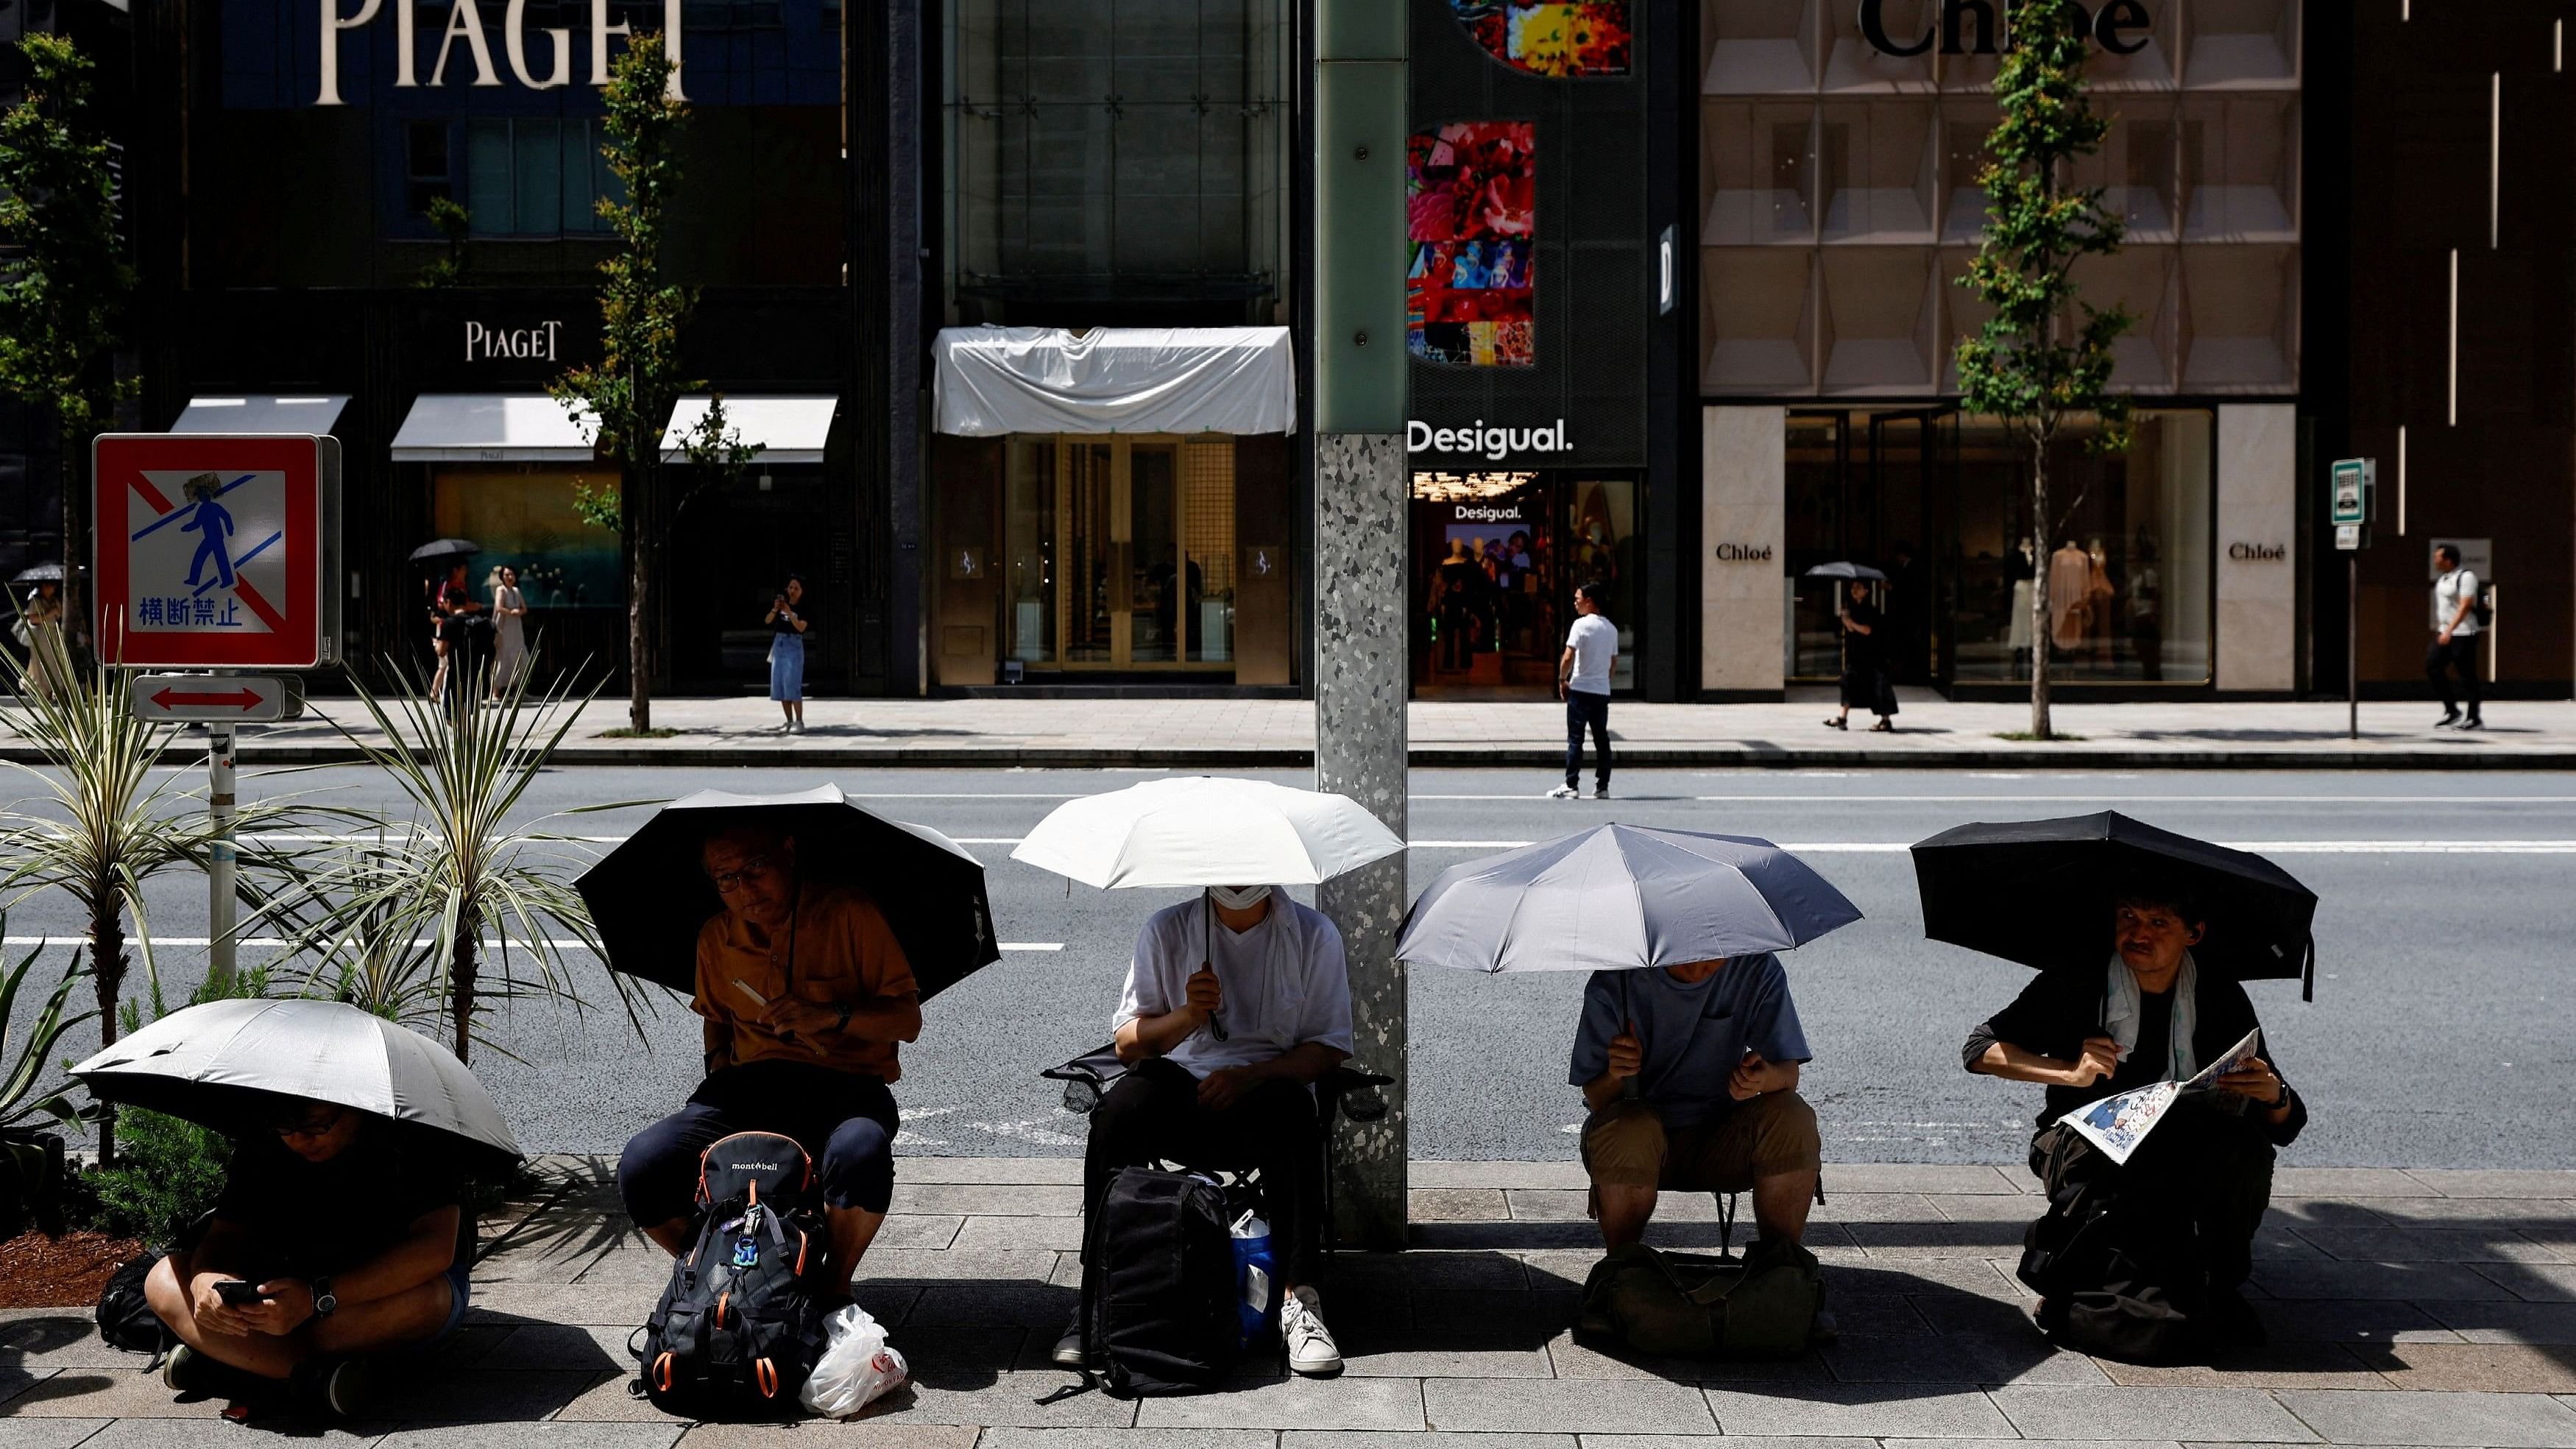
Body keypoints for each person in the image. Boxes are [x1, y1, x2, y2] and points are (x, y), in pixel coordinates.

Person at [1963, 878, 2306, 1347]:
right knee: (2113, 1159)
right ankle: (2082, 1275)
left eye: (2158, 922)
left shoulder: (2216, 994)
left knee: (2244, 1149)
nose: (2137, 932)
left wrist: (2273, 1094)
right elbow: (1980, 1049)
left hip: (2185, 1136)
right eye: (2128, 917)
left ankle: (2208, 1280)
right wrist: (2070, 1072)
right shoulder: (2080, 981)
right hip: (2084, 1137)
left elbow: (2286, 1124)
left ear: (2194, 933)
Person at [1055, 885, 1354, 1377]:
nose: (1239, 879)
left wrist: (1251, 1075)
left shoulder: (1313, 934)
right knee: (1117, 1113)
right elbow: (1128, 1043)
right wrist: (1188, 1016)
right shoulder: (1167, 928)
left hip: (1264, 1086)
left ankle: (1298, 1296)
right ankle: (1098, 1298)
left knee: (1297, 1113)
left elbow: (1328, 1048)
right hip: (1181, 1082)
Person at [617, 826, 920, 1302]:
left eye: (755, 869)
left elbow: (907, 1019)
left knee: (862, 1150)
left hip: (845, 1084)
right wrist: (718, 1062)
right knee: (643, 1163)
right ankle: (712, 1269)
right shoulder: (717, 935)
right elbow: (715, 1017)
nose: (745, 889)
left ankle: (832, 1284)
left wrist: (830, 1015)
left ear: (789, 852)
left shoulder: (850, 914)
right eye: (727, 878)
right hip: (746, 1087)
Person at [142, 1095, 471, 1417]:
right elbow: (224, 1237)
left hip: (367, 1294)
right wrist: (205, 1280)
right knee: (162, 1279)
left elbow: (436, 1250)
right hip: (286, 1293)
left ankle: (234, 1363)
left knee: (428, 1301)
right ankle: (309, 1375)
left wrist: (317, 1298)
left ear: (356, 1107)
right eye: (285, 1126)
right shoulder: (265, 1138)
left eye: (316, 1125)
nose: (299, 1139)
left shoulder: (414, 1136)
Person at [1568, 954, 1823, 1263]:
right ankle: (1622, 1273)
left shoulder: (1755, 966)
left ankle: (1782, 1271)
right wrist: (1616, 1073)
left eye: (1714, 959)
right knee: (1628, 1129)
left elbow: (1788, 1075)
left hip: (1723, 1135)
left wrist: (1763, 1079)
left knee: (1793, 1116)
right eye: (1688, 957)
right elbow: (1597, 1099)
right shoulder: (1616, 981)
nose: (1700, 969)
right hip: (1637, 1142)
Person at [1550, 581, 1616, 800]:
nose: (1575, 603)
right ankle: (1602, 786)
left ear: (1589, 601)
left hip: (1580, 689)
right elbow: (1613, 664)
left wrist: (1562, 679)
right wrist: (1603, 681)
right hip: (1601, 691)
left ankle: (1571, 784)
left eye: (1578, 599)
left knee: (1576, 738)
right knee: (1601, 739)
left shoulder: (1580, 625)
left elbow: (1568, 656)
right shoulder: (1611, 629)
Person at [1825, 578, 1897, 733]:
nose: (1854, 590)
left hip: (1874, 655)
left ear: (1866, 591)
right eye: (1853, 588)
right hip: (1857, 655)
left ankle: (1886, 720)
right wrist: (1845, 619)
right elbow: (1851, 630)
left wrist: (1850, 621)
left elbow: (1866, 630)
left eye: (1858, 587)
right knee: (1847, 681)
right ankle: (1842, 718)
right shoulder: (1852, 608)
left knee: (1879, 687)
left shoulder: (1871, 610)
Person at [2427, 544, 2483, 730]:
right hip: (2446, 632)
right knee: (2433, 667)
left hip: (2464, 633)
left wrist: (2450, 630)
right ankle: (2452, 711)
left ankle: (2474, 718)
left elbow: (2466, 605)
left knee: (2467, 675)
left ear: (2448, 560)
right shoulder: (2443, 579)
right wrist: (2444, 629)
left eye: (2438, 557)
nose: (2435, 560)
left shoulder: (2466, 577)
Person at [428, 560, 484, 703]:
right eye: (464, 569)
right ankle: (435, 692)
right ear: (455, 570)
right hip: (448, 626)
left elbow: (441, 650)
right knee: (444, 663)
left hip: (454, 630)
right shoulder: (447, 585)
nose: (466, 572)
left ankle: (436, 693)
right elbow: (441, 604)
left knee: (447, 664)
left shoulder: (463, 586)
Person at [768, 575, 810, 734]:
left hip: (794, 644)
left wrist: (790, 613)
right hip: (779, 644)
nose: (792, 591)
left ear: (801, 591)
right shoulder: (781, 606)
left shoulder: (804, 608)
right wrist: (776, 609)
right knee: (780, 683)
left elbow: (801, 627)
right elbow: (768, 620)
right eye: (790, 588)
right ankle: (789, 720)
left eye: (796, 588)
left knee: (792, 683)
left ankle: (799, 721)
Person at [488, 564, 528, 696]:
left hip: (515, 629)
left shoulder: (516, 591)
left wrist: (519, 611)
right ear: (502, 577)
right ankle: (496, 691)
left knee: (521, 657)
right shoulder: (501, 590)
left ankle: (518, 689)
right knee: (503, 658)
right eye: (507, 575)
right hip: (503, 629)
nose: (510, 577)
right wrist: (512, 612)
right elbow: (499, 607)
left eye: (512, 575)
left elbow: (524, 608)